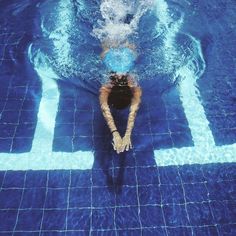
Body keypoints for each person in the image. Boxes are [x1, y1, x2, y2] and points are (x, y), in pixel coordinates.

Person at [99, 41, 142, 154]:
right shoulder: (107, 86)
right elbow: (104, 107)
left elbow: (134, 109)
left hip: (129, 55)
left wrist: (123, 133)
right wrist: (117, 133)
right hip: (109, 57)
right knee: (107, 42)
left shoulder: (133, 85)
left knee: (127, 39)